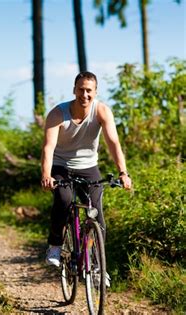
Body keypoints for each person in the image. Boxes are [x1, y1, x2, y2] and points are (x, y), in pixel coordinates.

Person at [40, 71, 132, 281]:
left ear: (95, 92)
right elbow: (48, 147)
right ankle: (55, 245)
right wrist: (46, 174)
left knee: (97, 215)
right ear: (74, 90)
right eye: (80, 89)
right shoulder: (58, 113)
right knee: (63, 199)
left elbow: (113, 143)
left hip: (89, 166)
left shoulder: (101, 111)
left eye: (89, 90)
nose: (84, 94)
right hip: (61, 165)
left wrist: (123, 173)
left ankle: (98, 267)